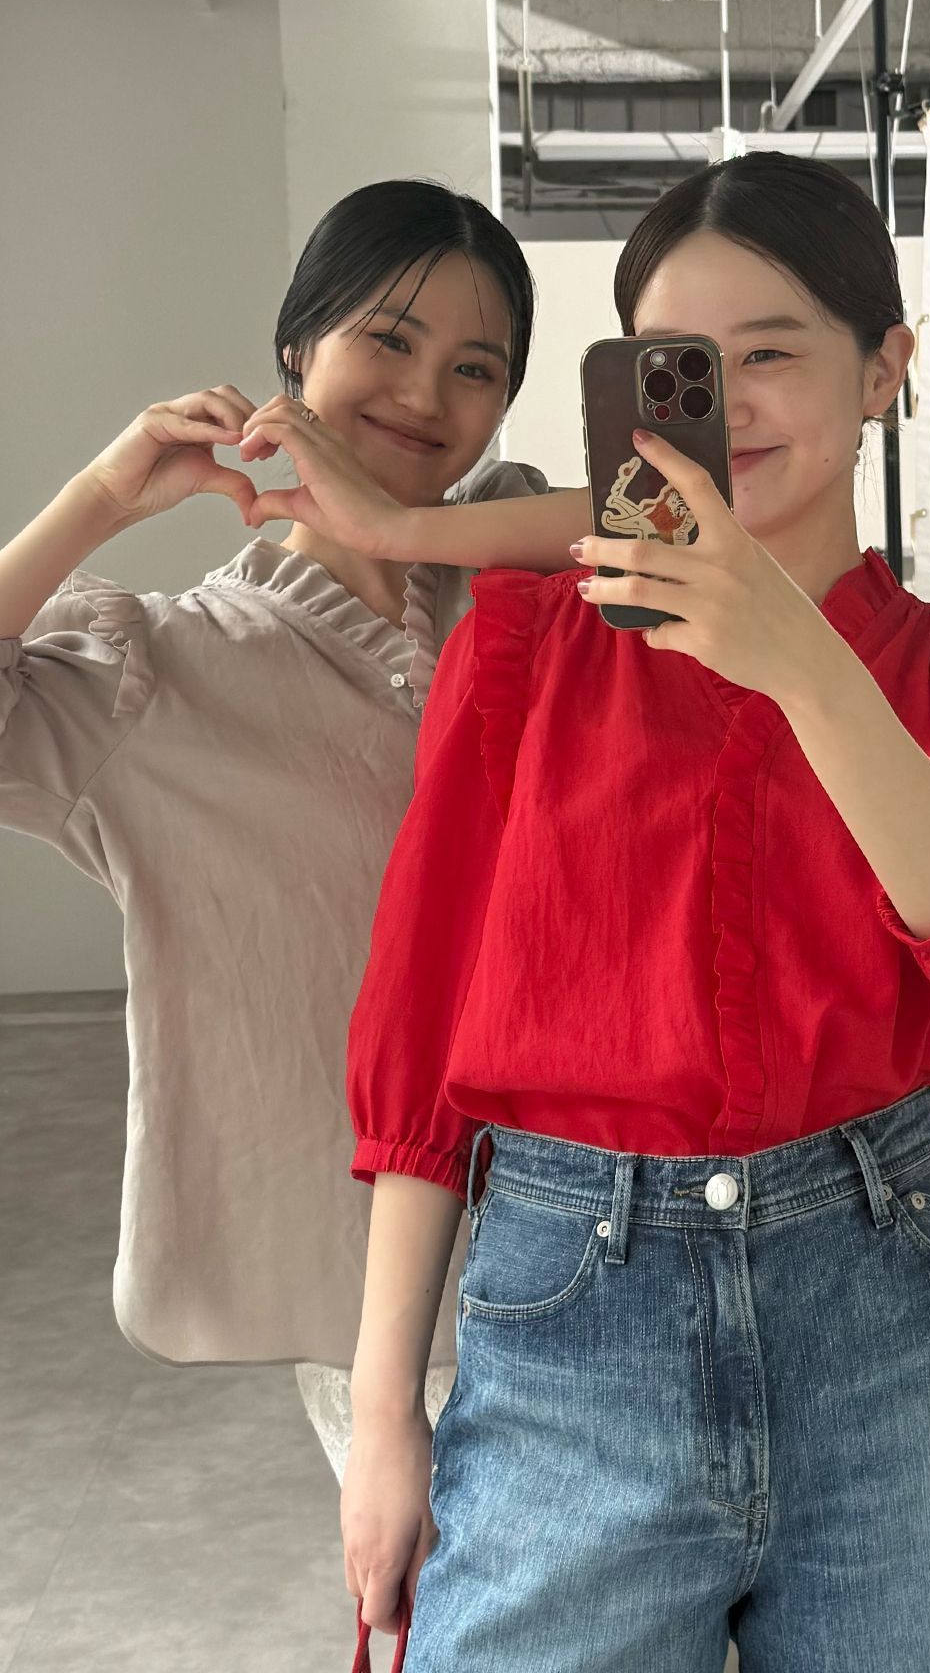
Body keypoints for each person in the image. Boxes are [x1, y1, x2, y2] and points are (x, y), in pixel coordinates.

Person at [262, 152, 930, 1671]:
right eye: (678, 368)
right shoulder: (524, 651)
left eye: (770, 353)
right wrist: (385, 1413)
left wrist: (799, 662)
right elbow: (426, 1033)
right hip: (570, 1317)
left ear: (884, 370)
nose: (725, 408)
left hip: (893, 1323)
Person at [0, 178, 585, 1481]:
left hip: (617, 1223)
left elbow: (701, 532)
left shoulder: (532, 571)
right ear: (297, 346)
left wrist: (407, 528)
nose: (426, 394)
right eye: (389, 339)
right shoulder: (165, 669)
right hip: (372, 1282)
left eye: (475, 367)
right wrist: (101, 497)